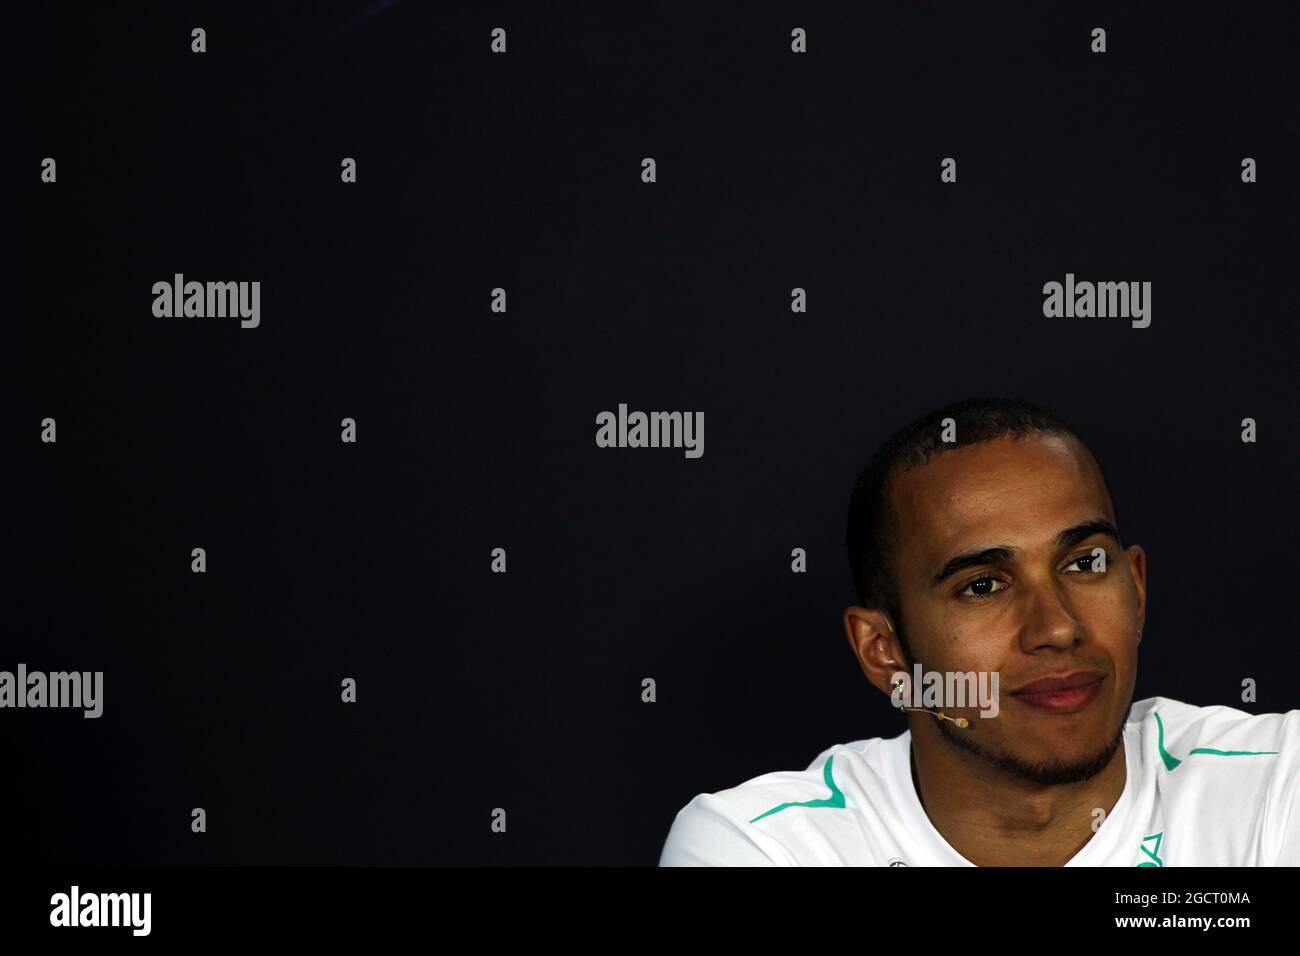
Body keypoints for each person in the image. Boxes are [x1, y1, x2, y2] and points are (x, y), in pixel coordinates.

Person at [659, 397, 1300, 865]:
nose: (1056, 628)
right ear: (884, 653)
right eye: (982, 585)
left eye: (1084, 564)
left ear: (1136, 587)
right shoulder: (761, 846)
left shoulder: (1277, 782)